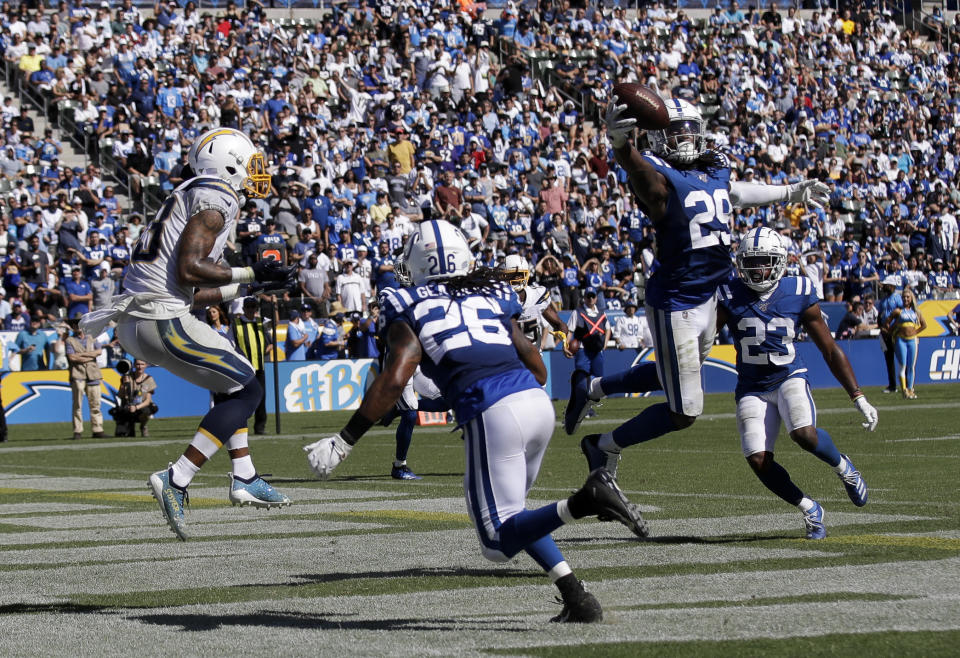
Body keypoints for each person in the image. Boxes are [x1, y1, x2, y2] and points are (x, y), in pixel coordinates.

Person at [303, 220, 646, 623]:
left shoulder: (407, 302)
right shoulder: (491, 294)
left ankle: (587, 499)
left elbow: (396, 378)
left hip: (494, 410)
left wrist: (344, 441)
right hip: (536, 404)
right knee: (515, 516)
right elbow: (536, 366)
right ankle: (576, 596)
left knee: (496, 542)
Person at [567, 97, 830, 474]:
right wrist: (622, 147)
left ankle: (591, 388)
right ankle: (602, 446)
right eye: (676, 130)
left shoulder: (712, 167)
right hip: (678, 302)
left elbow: (734, 193)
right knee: (685, 411)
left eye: (691, 127)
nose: (687, 136)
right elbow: (647, 183)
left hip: (710, 295)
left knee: (671, 375)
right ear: (656, 137)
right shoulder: (657, 172)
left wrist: (788, 192)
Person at [81, 128, 295, 541]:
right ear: (228, 164)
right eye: (250, 165)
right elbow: (189, 270)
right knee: (249, 389)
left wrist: (249, 286)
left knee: (231, 382)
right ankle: (177, 478)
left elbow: (193, 289)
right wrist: (251, 270)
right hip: (161, 319)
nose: (255, 175)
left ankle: (244, 474)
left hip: (141, 319)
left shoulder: (191, 194)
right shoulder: (218, 197)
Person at [716, 227, 876, 539]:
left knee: (803, 434)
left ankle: (845, 468)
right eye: (750, 262)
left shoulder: (799, 290)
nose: (756, 269)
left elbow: (829, 348)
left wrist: (857, 395)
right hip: (751, 385)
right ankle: (810, 509)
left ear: (779, 262)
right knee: (758, 459)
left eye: (763, 261)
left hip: (789, 375)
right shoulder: (729, 293)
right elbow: (703, 339)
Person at [500, 255, 567, 351]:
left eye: (519, 274)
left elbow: (559, 324)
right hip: (510, 358)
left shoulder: (537, 296)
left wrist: (563, 337)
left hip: (534, 358)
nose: (516, 279)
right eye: (512, 275)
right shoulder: (498, 300)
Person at [232, 297, 271, 435]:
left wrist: (275, 305)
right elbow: (230, 344)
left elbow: (270, 341)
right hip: (243, 368)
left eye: (253, 306)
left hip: (259, 367)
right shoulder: (236, 324)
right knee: (242, 398)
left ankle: (260, 427)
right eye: (248, 307)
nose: (251, 309)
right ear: (243, 309)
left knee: (261, 397)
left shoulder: (261, 323)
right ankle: (239, 426)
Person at [65, 320, 106, 440]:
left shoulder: (92, 337)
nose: (78, 326)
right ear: (72, 327)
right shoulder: (69, 340)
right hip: (78, 374)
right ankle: (77, 430)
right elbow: (72, 357)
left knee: (96, 403)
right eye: (75, 324)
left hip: (93, 374)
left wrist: (81, 356)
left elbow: (99, 352)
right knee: (77, 404)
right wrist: (90, 355)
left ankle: (97, 429)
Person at [886, 287, 926, 399]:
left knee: (911, 366)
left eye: (908, 297)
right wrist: (892, 332)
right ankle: (904, 390)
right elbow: (887, 323)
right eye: (903, 297)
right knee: (902, 365)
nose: (905, 299)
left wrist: (915, 333)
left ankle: (910, 389)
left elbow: (924, 325)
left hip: (912, 340)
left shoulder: (916, 311)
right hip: (900, 340)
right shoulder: (898, 311)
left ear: (911, 298)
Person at [565, 288, 609, 377]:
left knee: (598, 379)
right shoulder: (577, 312)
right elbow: (569, 331)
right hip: (582, 349)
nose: (591, 299)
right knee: (582, 378)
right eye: (588, 296)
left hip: (597, 349)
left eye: (593, 296)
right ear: (584, 298)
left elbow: (608, 328)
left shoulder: (602, 313)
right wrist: (565, 345)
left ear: (596, 298)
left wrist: (605, 344)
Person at [111, 358, 157, 437]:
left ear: (146, 365)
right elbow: (120, 396)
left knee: (146, 411)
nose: (140, 367)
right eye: (138, 364)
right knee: (125, 434)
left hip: (141, 406)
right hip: (128, 405)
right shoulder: (127, 377)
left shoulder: (149, 379)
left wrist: (136, 407)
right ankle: (127, 428)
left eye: (142, 364)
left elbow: (148, 401)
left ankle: (143, 426)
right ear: (134, 365)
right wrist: (123, 384)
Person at [877, 276, 904, 394]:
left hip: (896, 331)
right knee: (889, 359)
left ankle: (906, 384)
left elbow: (901, 313)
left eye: (886, 285)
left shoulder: (897, 298)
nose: (884, 287)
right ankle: (892, 385)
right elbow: (879, 315)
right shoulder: (883, 299)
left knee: (901, 358)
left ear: (892, 286)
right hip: (885, 332)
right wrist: (881, 327)